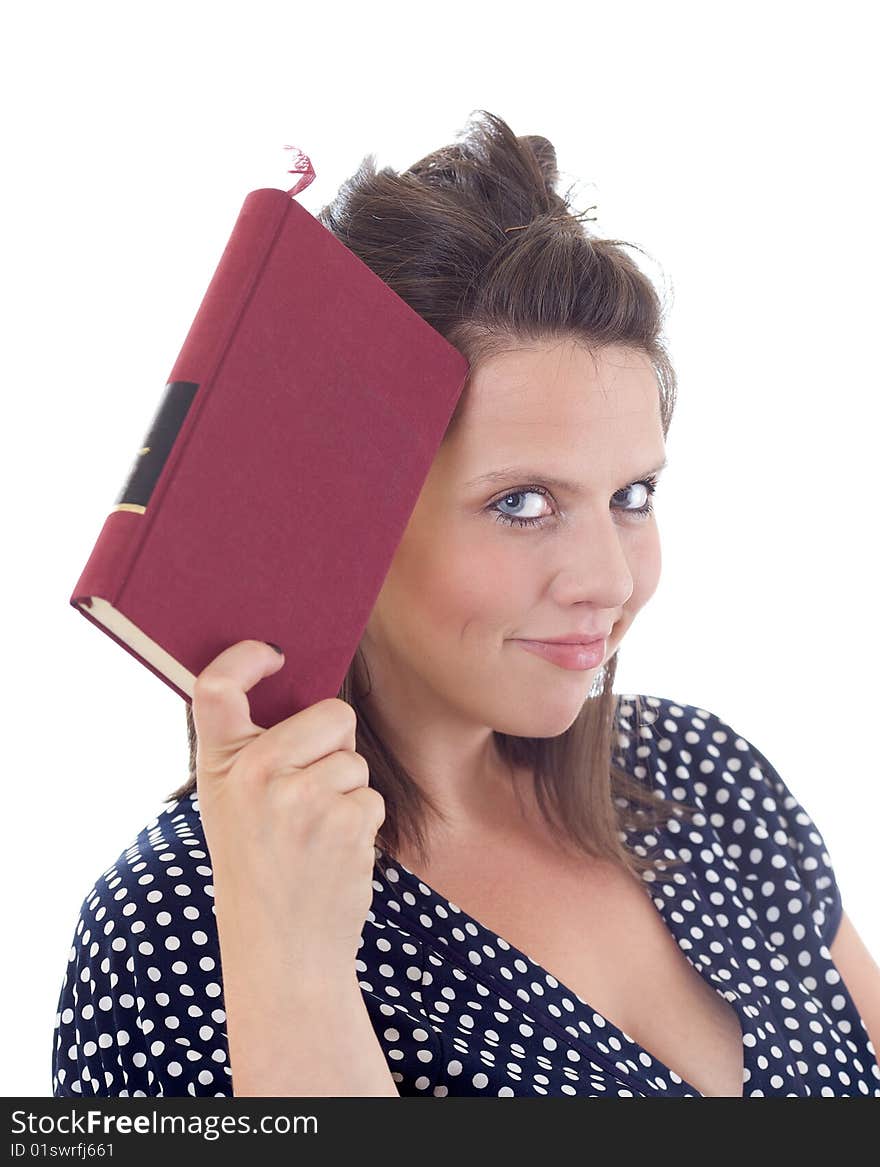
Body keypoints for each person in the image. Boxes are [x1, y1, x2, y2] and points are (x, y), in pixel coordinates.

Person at [51, 110, 880, 1099]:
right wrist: (295, 964)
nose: (608, 582)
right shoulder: (184, 919)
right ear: (348, 524)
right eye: (521, 505)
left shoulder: (700, 775)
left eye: (630, 498)